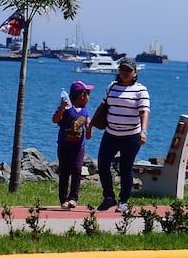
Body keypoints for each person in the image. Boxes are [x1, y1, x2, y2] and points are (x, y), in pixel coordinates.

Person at [88, 56, 149, 213]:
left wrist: (143, 131)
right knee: (102, 163)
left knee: (125, 168)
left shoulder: (141, 90)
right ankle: (108, 197)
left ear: (135, 73)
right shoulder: (112, 87)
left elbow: (144, 112)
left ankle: (123, 200)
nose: (125, 73)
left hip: (131, 136)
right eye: (122, 70)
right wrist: (91, 124)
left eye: (128, 70)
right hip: (111, 134)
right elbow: (103, 106)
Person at [52, 79, 93, 210]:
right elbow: (55, 119)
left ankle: (73, 198)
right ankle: (63, 199)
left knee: (77, 170)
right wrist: (62, 108)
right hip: (64, 145)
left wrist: (89, 130)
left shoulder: (85, 110)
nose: (89, 97)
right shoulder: (66, 108)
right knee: (64, 171)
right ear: (82, 95)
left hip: (78, 147)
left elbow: (88, 122)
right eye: (88, 94)